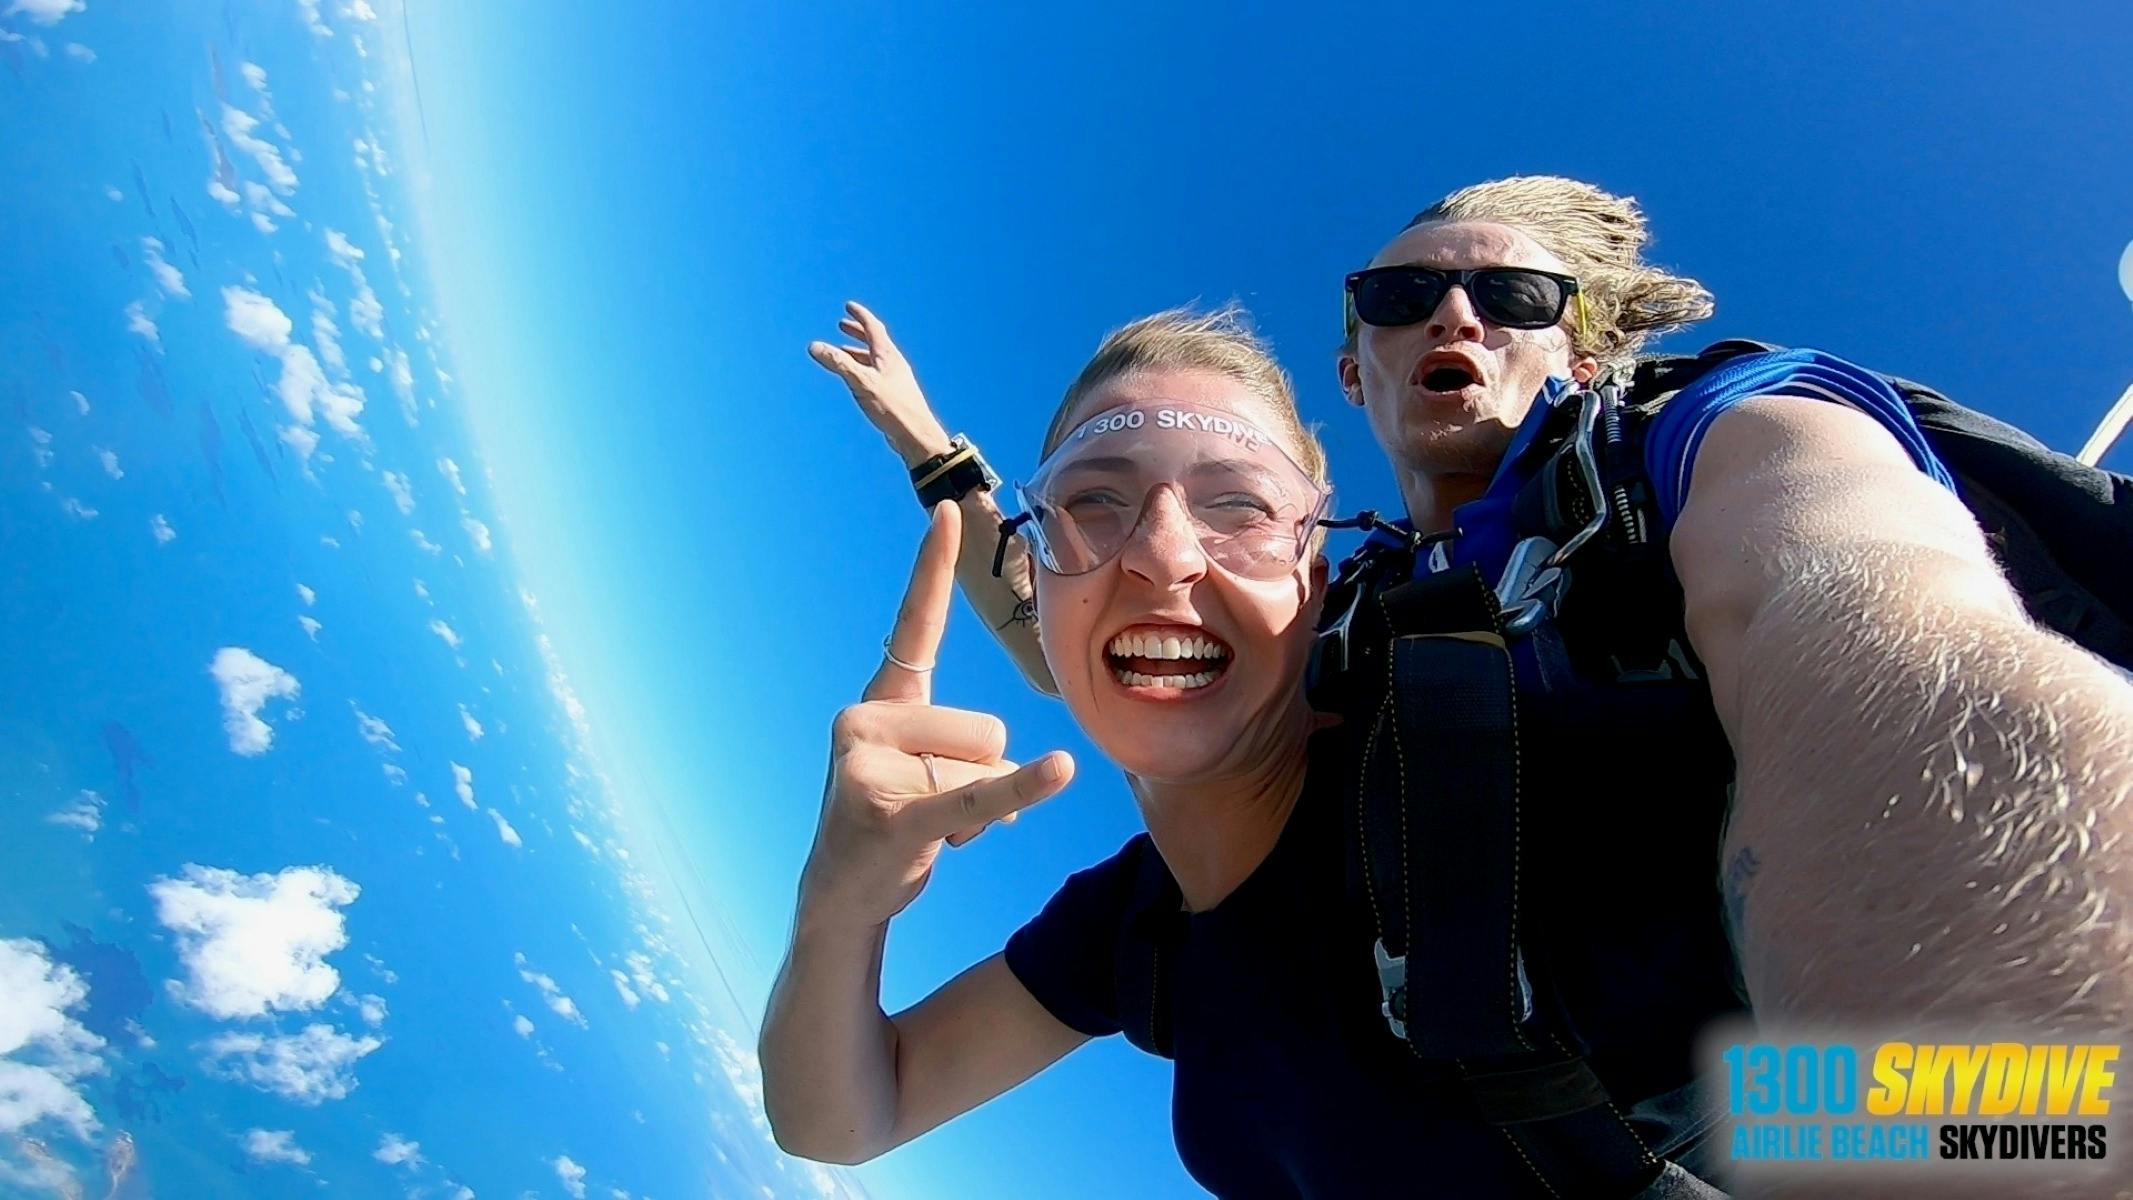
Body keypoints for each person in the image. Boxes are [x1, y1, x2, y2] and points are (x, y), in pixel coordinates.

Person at [780, 175, 2133, 1199]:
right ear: (1352, 369)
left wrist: (2032, 1100)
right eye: (1399, 295)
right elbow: (1105, 635)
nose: (1452, 314)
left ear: (1583, 353)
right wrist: (841, 899)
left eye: (1517, 296)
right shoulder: (1184, 873)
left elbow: (1861, 610)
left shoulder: (1705, 443)